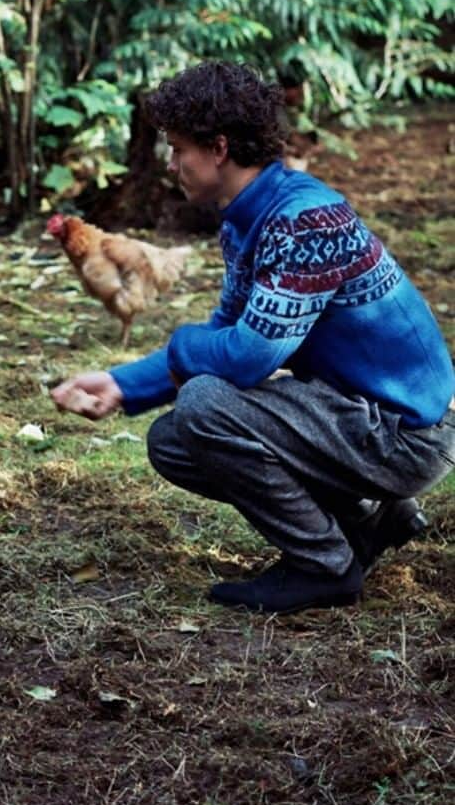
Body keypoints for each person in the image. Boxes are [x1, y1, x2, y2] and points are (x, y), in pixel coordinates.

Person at [51, 61, 455, 614]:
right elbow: (227, 330)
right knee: (174, 440)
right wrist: (124, 385)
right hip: (360, 415)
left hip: (408, 435)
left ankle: (325, 567)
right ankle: (368, 519)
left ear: (218, 148)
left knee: (203, 407)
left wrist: (177, 352)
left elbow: (246, 356)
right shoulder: (247, 216)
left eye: (178, 150)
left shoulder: (302, 220)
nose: (171, 166)